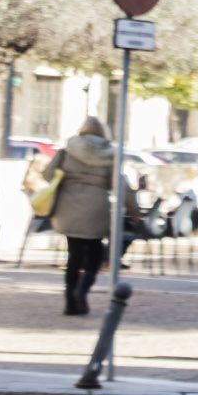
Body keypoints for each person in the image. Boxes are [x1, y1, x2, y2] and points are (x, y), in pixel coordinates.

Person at [42, 117, 127, 316]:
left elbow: (47, 174)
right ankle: (83, 289)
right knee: (95, 254)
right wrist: (133, 210)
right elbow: (119, 185)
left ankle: (70, 301)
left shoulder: (67, 151)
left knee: (73, 255)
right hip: (97, 207)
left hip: (68, 206)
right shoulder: (111, 154)